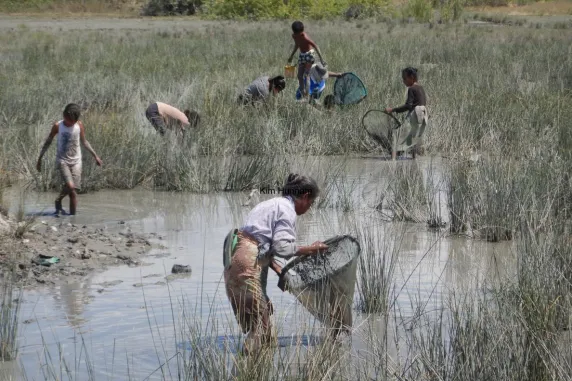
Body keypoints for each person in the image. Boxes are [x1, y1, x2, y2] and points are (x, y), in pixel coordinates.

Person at [222, 174, 328, 355]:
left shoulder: (269, 204)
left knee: (264, 327)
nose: (309, 208)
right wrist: (312, 248)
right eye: (310, 203)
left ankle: (259, 368)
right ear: (304, 196)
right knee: (260, 329)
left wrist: (279, 271)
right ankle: (244, 370)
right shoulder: (287, 210)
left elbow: (260, 245)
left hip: (236, 263)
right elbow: (282, 247)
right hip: (247, 265)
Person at [36, 103, 103, 216]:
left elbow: (84, 142)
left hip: (76, 160)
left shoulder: (79, 126)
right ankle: (59, 201)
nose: (68, 122)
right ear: (63, 115)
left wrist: (95, 155)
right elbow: (48, 141)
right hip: (62, 160)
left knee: (73, 191)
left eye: (71, 121)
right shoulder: (58, 126)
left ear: (76, 120)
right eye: (67, 119)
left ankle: (72, 218)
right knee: (71, 186)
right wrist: (40, 158)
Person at [385, 67, 428, 159]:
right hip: (423, 116)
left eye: (404, 78)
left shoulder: (411, 89)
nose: (403, 81)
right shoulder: (421, 88)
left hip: (416, 114)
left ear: (411, 77)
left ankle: (392, 160)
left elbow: (408, 106)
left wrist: (393, 110)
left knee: (395, 134)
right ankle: (413, 158)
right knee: (414, 136)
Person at [286, 21, 327, 99]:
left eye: (301, 33)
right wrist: (291, 56)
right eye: (298, 33)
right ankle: (302, 92)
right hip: (302, 55)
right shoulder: (294, 36)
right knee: (299, 76)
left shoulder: (304, 36)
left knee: (306, 75)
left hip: (309, 55)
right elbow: (297, 45)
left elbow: (315, 46)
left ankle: (307, 95)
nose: (300, 34)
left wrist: (321, 59)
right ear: (294, 32)